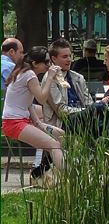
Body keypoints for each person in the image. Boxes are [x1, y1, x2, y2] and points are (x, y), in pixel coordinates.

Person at [32, 39, 93, 183]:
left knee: (101, 114)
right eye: (64, 57)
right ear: (53, 59)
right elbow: (61, 111)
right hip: (63, 123)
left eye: (70, 56)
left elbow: (89, 102)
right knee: (100, 112)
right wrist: (87, 112)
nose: (69, 59)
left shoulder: (78, 78)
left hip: (82, 118)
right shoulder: (50, 79)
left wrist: (89, 111)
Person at [1, 46, 64, 180]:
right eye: (46, 62)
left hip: (19, 120)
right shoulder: (29, 75)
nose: (49, 65)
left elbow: (28, 103)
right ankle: (69, 179)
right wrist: (50, 78)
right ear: (35, 64)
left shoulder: (23, 72)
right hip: (14, 123)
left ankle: (42, 171)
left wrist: (39, 124)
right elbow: (41, 99)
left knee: (60, 135)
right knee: (54, 145)